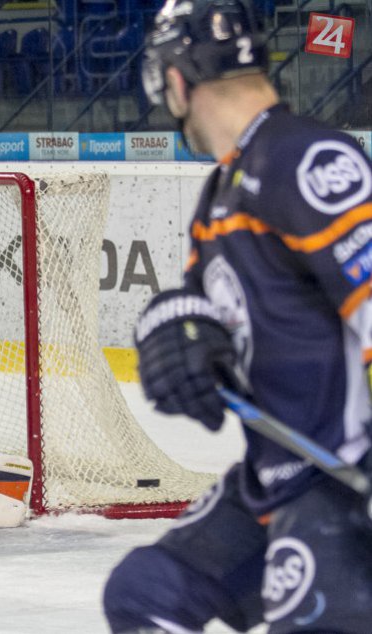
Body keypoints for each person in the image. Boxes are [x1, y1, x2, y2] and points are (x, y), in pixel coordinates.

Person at [102, 0, 372, 632]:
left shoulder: (305, 161)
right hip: (277, 474)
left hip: (344, 477)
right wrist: (174, 329)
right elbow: (210, 319)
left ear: (175, 80)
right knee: (147, 592)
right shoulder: (219, 195)